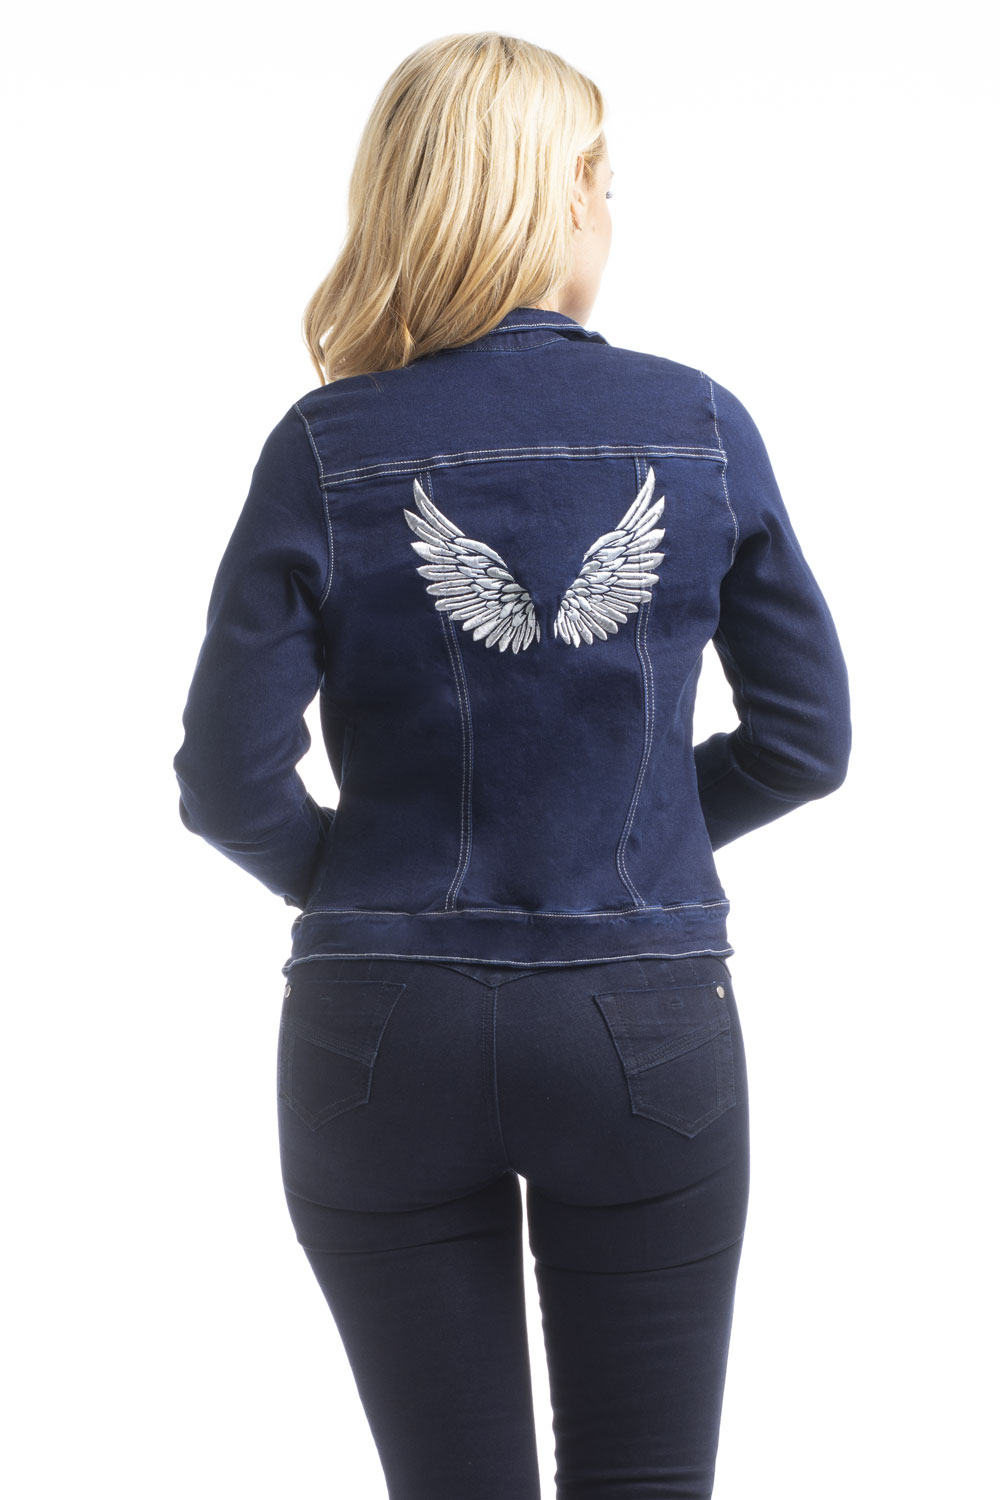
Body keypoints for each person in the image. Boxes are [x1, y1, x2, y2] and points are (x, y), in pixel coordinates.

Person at [172, 30, 851, 1500]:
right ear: (574, 192)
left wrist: (362, 884)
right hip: (641, 1029)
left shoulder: (323, 446)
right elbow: (808, 743)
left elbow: (224, 779)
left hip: (375, 1035)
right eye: (610, 182)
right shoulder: (697, 426)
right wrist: (637, 832)